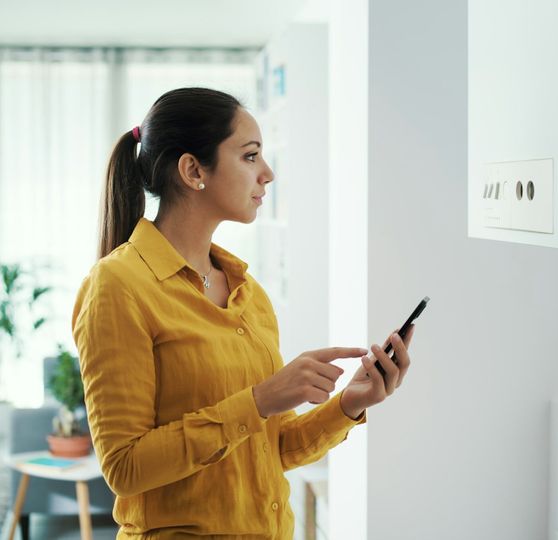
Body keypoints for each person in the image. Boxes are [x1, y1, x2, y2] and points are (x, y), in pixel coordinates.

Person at [71, 87, 414, 539]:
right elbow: (125, 468)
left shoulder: (248, 294)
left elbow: (274, 449)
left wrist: (350, 404)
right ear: (194, 170)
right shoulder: (118, 286)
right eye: (250, 156)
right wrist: (257, 402)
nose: (267, 174)